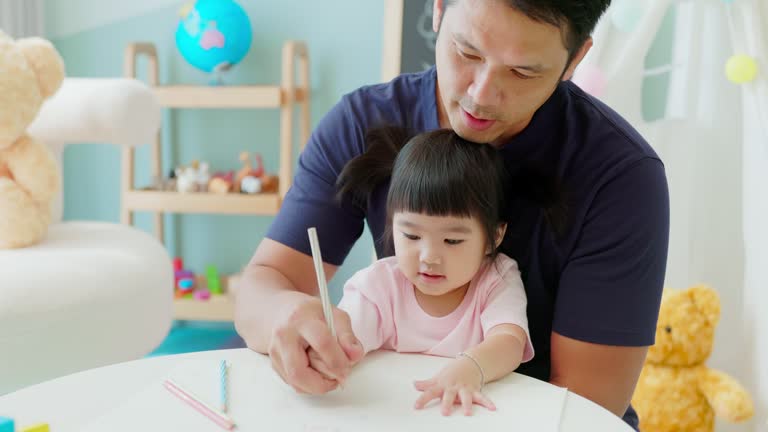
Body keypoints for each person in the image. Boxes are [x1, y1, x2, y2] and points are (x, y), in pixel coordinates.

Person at [234, 0, 669, 429]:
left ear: (575, 59)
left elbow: (584, 410)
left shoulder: (620, 177)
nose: (481, 95)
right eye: (467, 52)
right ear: (439, 10)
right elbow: (266, 284)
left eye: (522, 72)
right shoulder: (362, 123)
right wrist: (283, 314)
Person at [306, 128, 534, 416]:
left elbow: (510, 342)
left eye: (452, 240)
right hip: (392, 415)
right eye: (412, 236)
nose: (429, 257)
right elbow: (350, 339)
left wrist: (471, 368)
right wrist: (328, 355)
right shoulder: (378, 285)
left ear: (494, 237)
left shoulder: (497, 278)